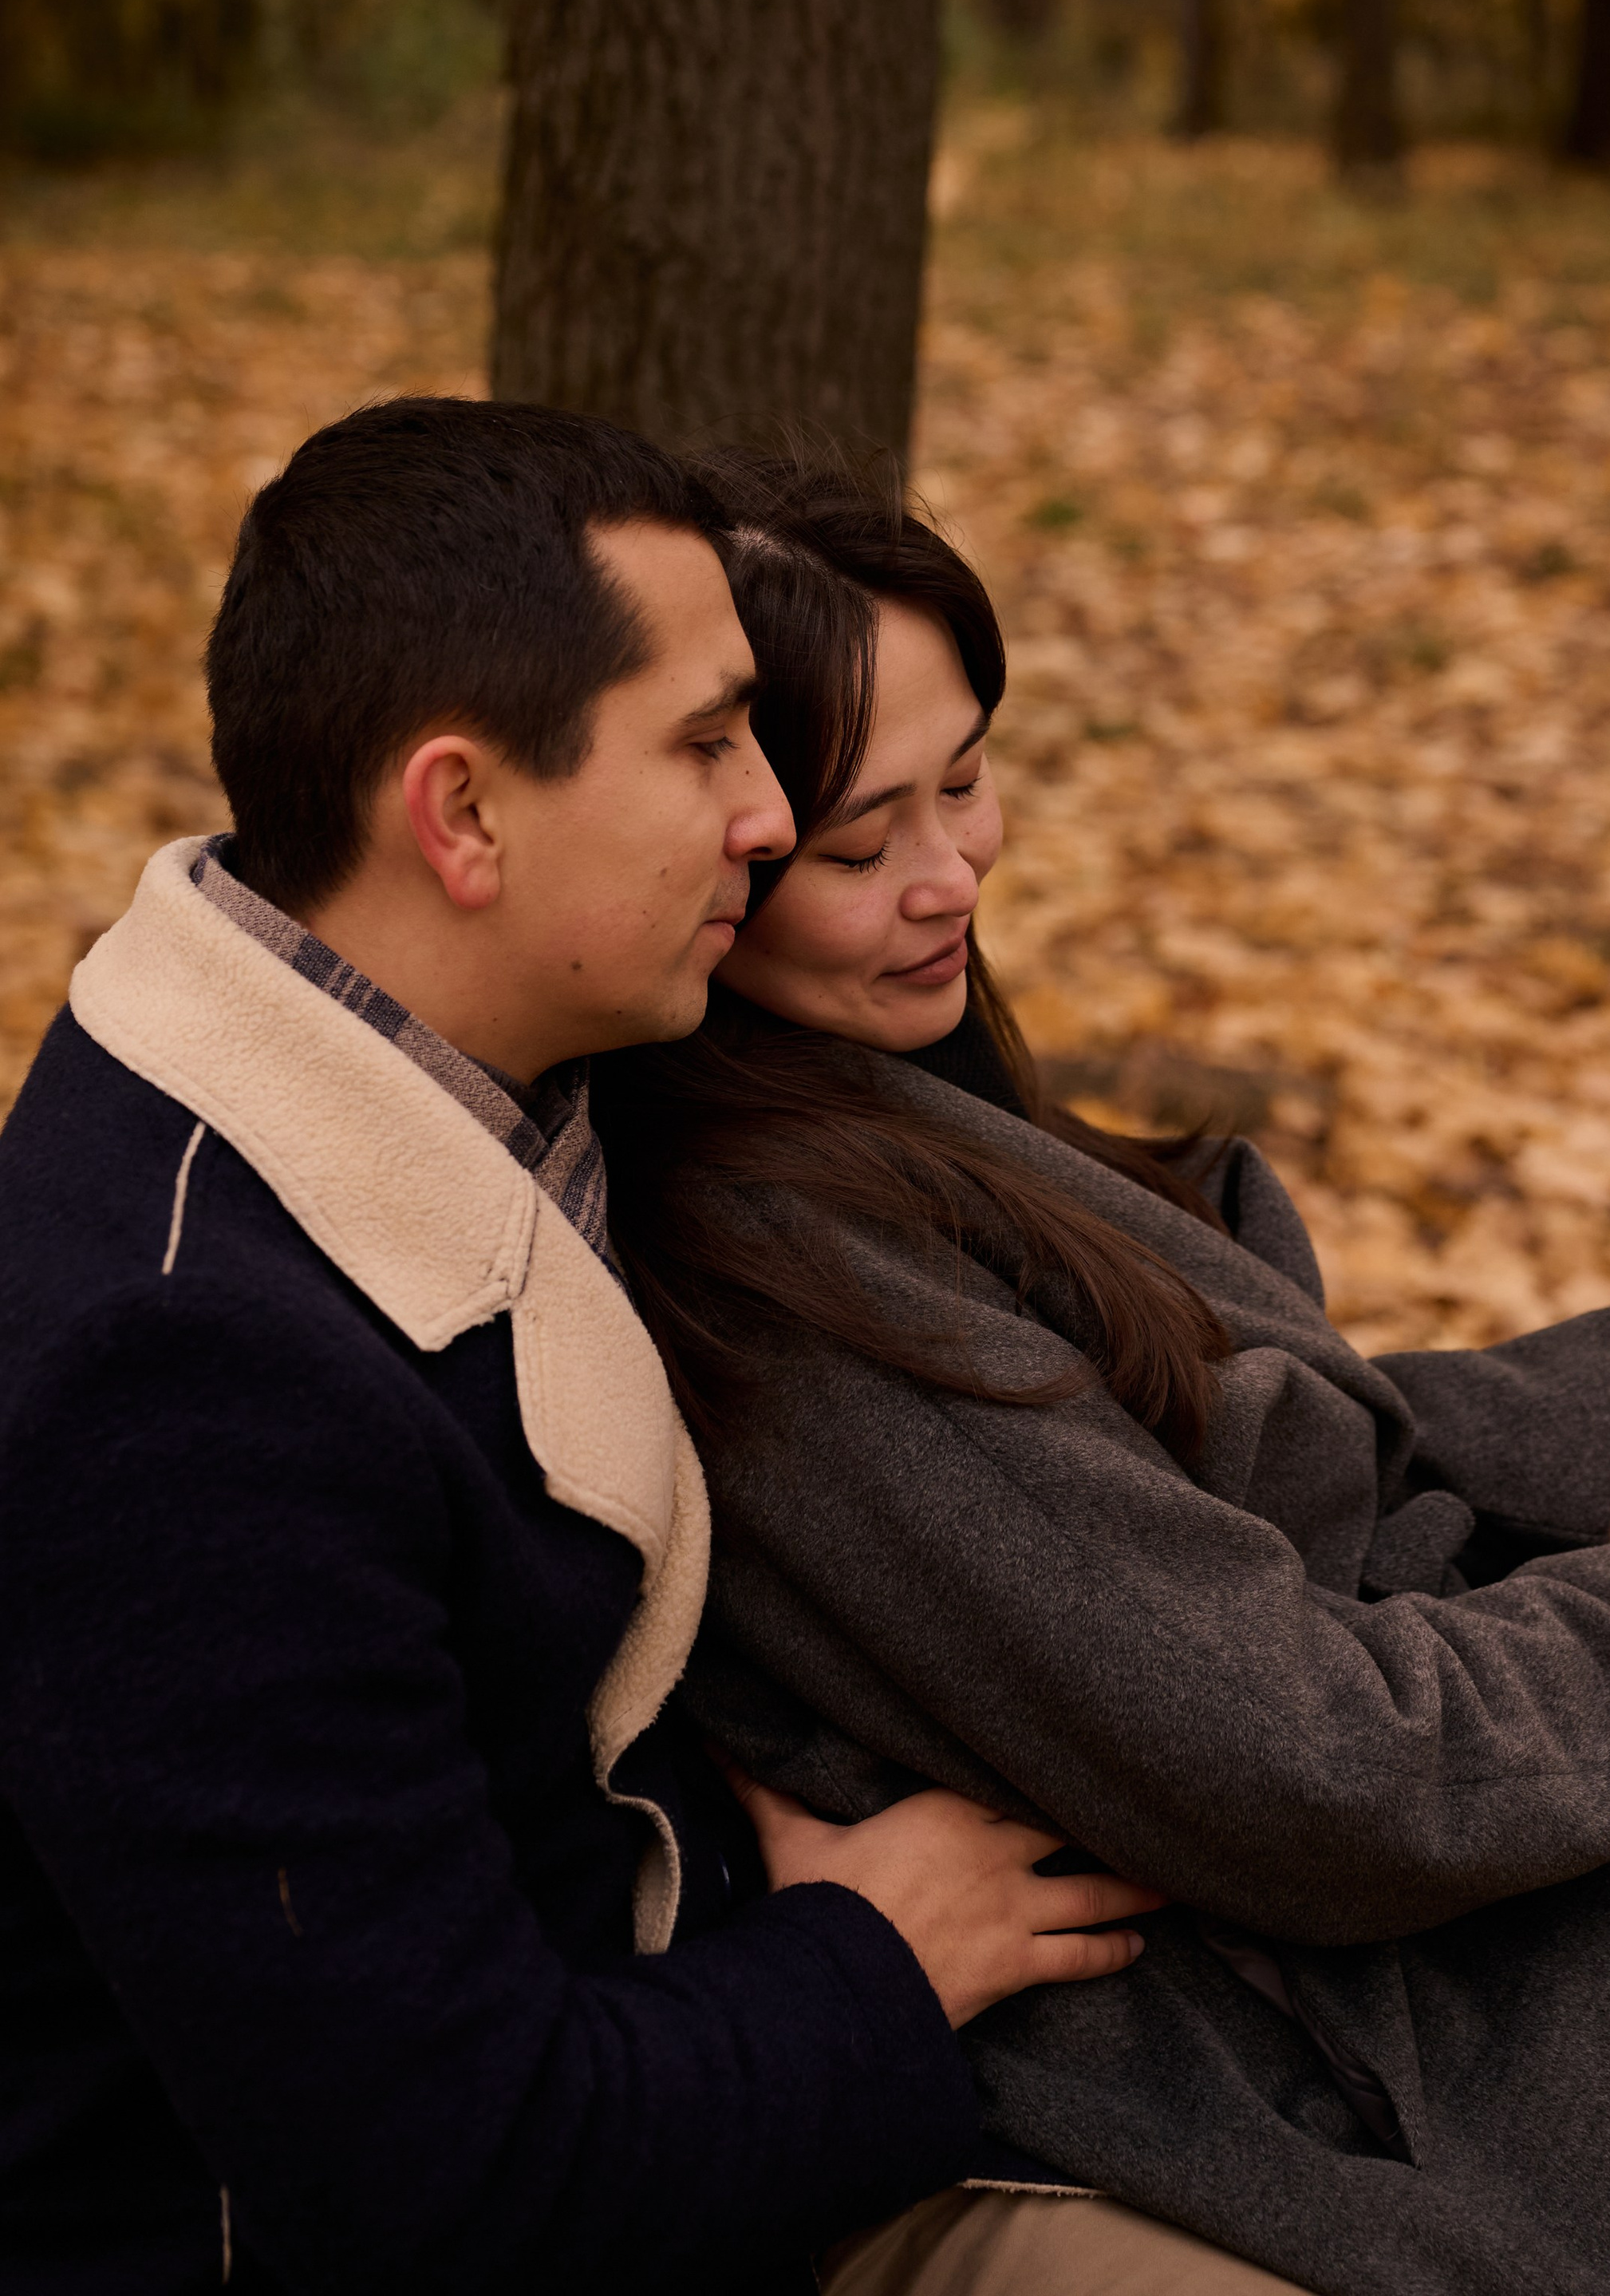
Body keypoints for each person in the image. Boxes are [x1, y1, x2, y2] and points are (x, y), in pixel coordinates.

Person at [594, 450, 1610, 2296]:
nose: (949, 875)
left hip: (1419, 1661)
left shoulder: (868, 1069)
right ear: (723, 852)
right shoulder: (785, 1282)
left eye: (967, 781)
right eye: (866, 844)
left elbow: (1228, 1392)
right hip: (1379, 1975)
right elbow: (1327, 1778)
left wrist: (1580, 1448)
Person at [0, 399, 1162, 2296]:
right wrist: (868, 1955)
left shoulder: (475, 1071)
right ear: (460, 813)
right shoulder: (185, 1381)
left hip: (732, 2059)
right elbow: (447, 2179)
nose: (772, 818)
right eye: (705, 744)